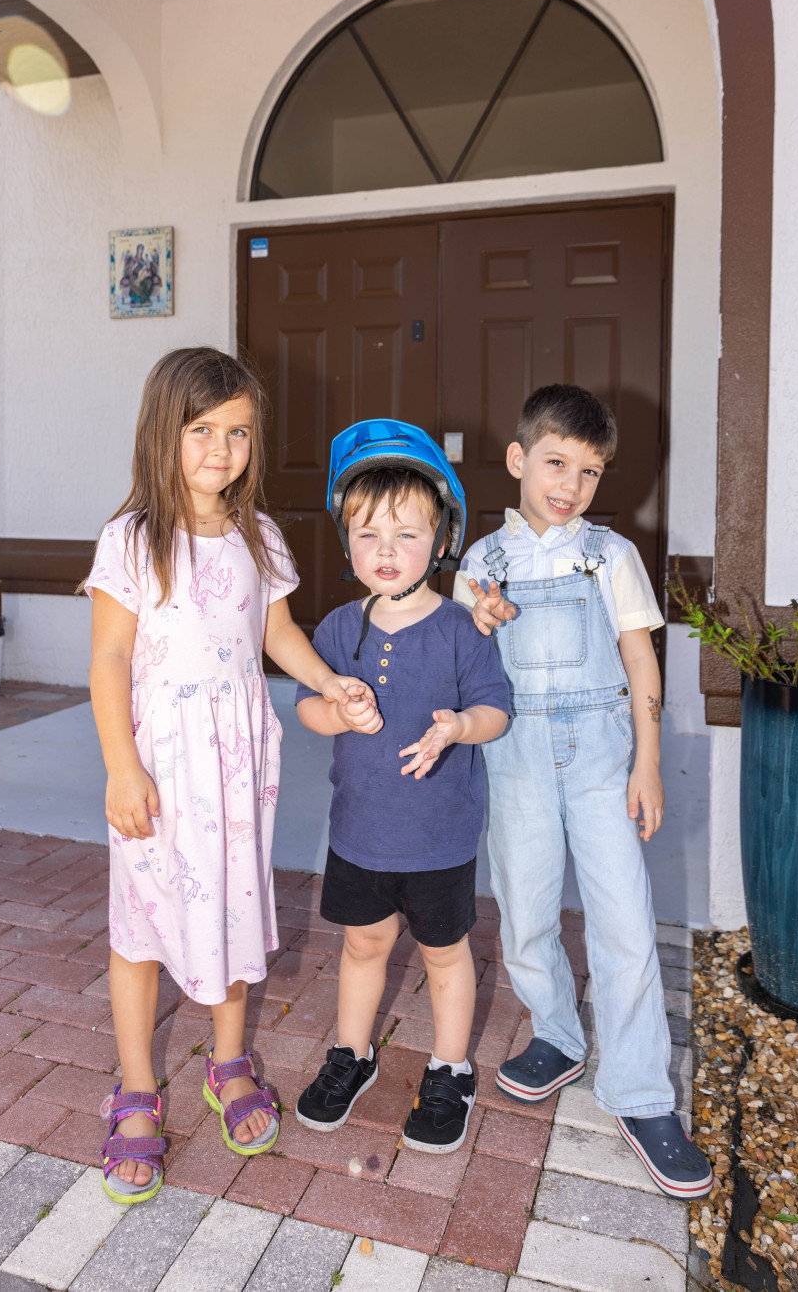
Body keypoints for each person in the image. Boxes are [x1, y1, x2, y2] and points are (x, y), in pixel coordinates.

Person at [84, 347, 378, 1202]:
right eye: (202, 429)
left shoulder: (260, 536)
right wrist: (121, 766)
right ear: (162, 432)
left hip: (237, 765)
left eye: (239, 432)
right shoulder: (131, 539)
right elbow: (109, 658)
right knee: (141, 925)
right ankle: (138, 1086)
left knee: (234, 906)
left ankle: (227, 1059)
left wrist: (328, 680)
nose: (222, 448)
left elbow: (276, 633)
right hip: (159, 766)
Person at [458, 383, 713, 1200]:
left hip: (603, 754)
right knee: (526, 911)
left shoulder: (611, 554)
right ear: (518, 459)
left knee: (624, 919)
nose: (570, 484)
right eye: (556, 462)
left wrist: (648, 761)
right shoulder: (481, 562)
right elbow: (465, 657)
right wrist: (478, 619)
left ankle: (640, 1093)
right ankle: (558, 1034)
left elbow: (641, 659)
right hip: (517, 758)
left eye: (590, 470)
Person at [293, 421, 510, 1153]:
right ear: (347, 543)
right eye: (368, 534)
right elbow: (308, 707)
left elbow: (496, 711)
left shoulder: (462, 629)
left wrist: (458, 726)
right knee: (363, 945)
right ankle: (352, 1053)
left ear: (442, 539)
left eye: (406, 534)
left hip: (439, 836)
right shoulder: (336, 628)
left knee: (446, 952)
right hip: (360, 831)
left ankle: (450, 1069)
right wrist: (336, 711)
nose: (386, 550)